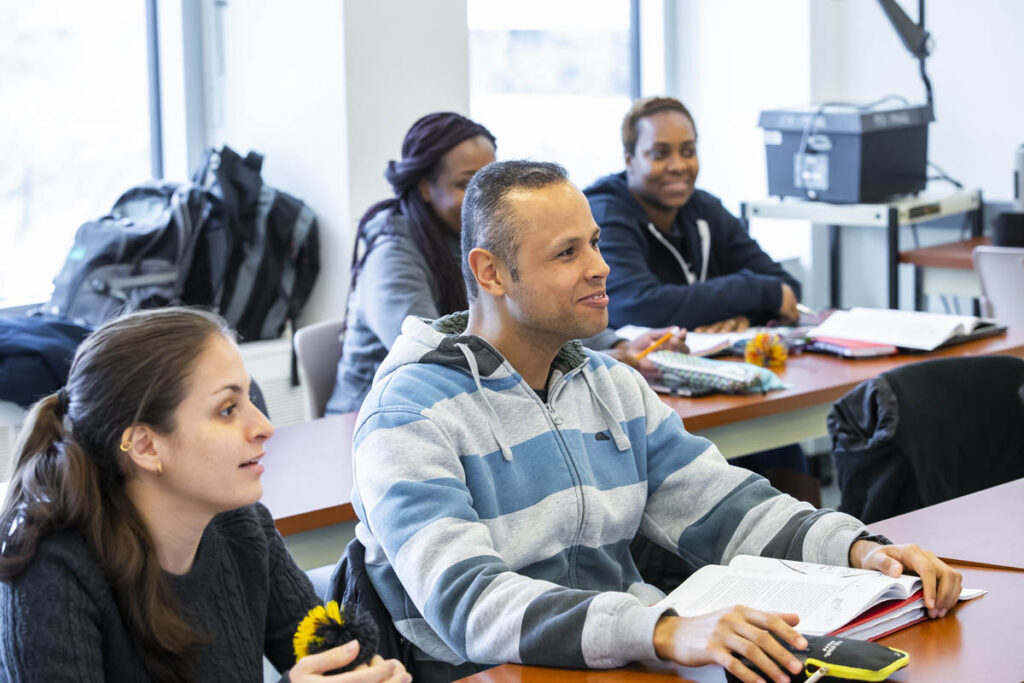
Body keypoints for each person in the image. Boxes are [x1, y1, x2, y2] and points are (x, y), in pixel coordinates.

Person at [350, 160, 962, 683]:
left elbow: (723, 507)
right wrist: (663, 630)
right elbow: (471, 606)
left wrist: (858, 549)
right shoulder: (407, 414)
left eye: (593, 242)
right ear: (491, 273)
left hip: (617, 657)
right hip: (491, 671)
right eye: (568, 253)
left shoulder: (607, 383)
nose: (600, 266)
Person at [0, 308, 410, 683]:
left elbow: (333, 653)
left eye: (250, 398)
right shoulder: (49, 572)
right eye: (227, 410)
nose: (265, 426)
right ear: (145, 446)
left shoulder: (242, 525)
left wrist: (367, 674)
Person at [326, 112, 684, 415]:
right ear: (424, 188)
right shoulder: (391, 253)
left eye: (490, 180)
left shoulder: (477, 235)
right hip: (382, 421)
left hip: (478, 401)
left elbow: (532, 311)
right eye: (467, 184)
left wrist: (618, 344)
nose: (484, 197)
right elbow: (435, 350)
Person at [585, 96, 801, 332]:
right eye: (659, 154)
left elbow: (788, 288)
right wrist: (757, 292)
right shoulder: (603, 214)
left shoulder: (704, 207)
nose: (678, 166)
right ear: (630, 159)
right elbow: (638, 307)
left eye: (688, 151)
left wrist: (745, 316)